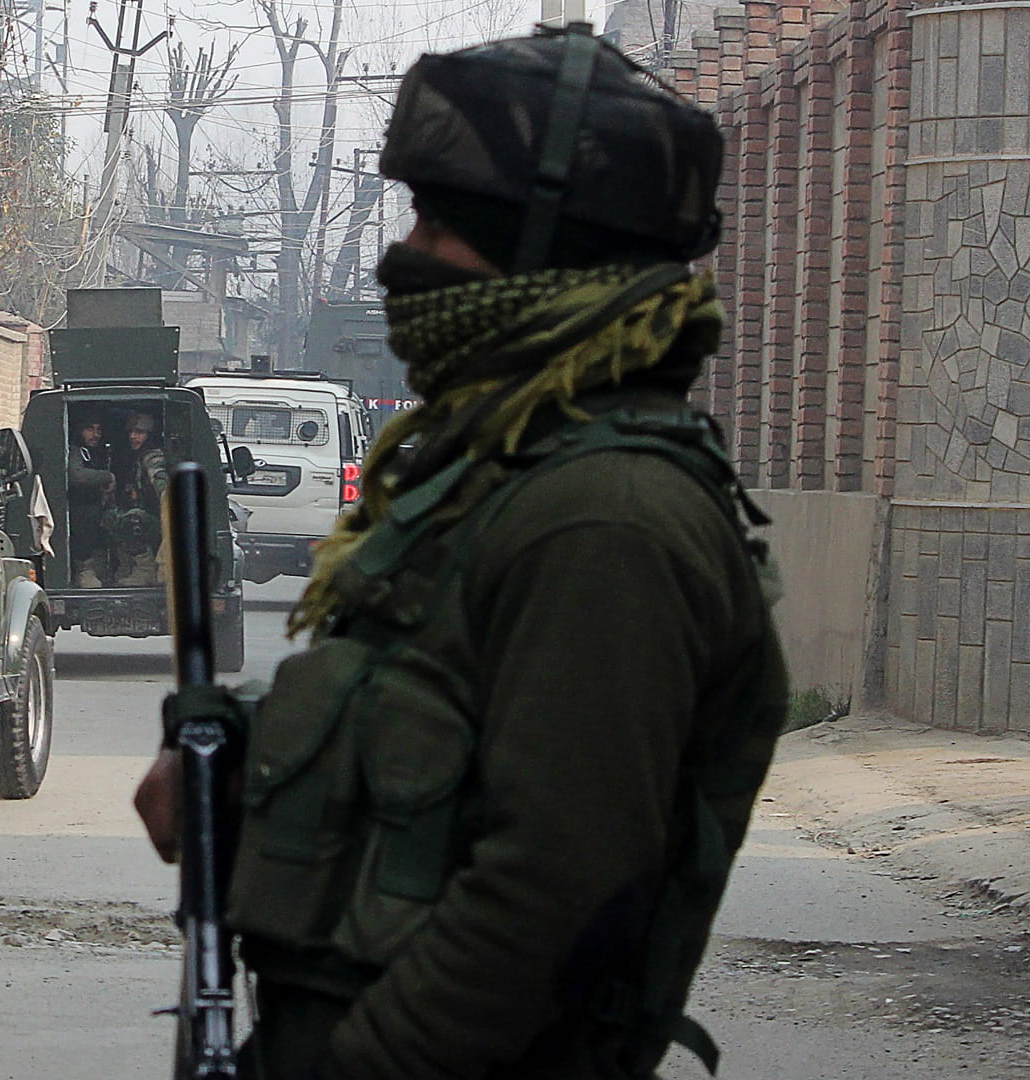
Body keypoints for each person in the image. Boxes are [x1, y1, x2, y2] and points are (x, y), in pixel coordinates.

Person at [135, 24, 787, 1079]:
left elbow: (552, 896)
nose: (406, 258)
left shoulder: (604, 516)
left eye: (441, 227)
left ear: (544, 252)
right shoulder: (496, 473)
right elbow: (440, 748)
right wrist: (246, 765)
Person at [111, 411, 169, 586]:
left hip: (158, 521)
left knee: (132, 519)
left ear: (149, 435)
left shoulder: (152, 456)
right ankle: (127, 565)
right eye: (131, 432)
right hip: (149, 516)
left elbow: (159, 477)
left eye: (139, 432)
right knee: (111, 516)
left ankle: (146, 570)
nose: (133, 436)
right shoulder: (134, 456)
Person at [66, 413, 116, 588]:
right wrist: (107, 477)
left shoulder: (97, 452)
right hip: (79, 512)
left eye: (99, 430)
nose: (95, 434)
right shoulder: (74, 450)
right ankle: (84, 569)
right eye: (90, 429)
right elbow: (77, 476)